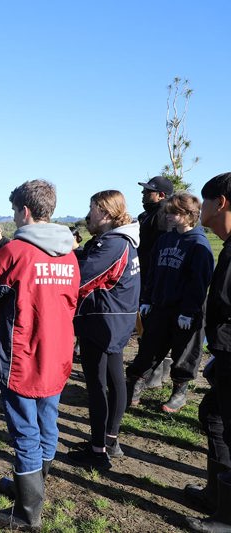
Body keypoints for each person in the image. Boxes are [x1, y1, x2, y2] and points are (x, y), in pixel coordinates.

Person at [0, 180, 79, 530]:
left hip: (22, 355)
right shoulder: (70, 253)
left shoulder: (15, 252)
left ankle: (26, 514)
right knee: (48, 420)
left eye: (14, 211)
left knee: (24, 431)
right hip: (59, 353)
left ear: (25, 211)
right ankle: (34, 485)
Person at [67, 191, 140, 471]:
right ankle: (109, 439)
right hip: (116, 320)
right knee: (114, 379)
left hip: (102, 322)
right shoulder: (122, 241)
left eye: (92, 209)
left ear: (106, 213)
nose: (89, 215)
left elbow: (82, 275)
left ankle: (98, 451)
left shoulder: (112, 244)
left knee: (98, 385)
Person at [126, 191, 214, 413]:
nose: (168, 216)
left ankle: (179, 393)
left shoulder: (199, 244)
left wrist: (188, 311)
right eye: (167, 212)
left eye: (173, 212)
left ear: (188, 214)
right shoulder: (165, 239)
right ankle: (135, 387)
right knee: (148, 348)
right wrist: (146, 299)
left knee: (184, 354)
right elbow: (153, 272)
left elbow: (199, 282)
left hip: (186, 311)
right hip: (159, 306)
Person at [185, 172, 231, 532]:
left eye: (205, 202)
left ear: (221, 203)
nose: (200, 210)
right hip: (224, 355)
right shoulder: (228, 246)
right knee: (214, 418)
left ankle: (226, 517)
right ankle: (216, 496)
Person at [137, 175, 176, 390]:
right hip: (144, 275)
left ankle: (156, 372)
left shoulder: (162, 214)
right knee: (144, 324)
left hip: (153, 278)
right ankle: (153, 371)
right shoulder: (147, 214)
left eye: (147, 191)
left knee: (152, 325)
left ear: (161, 194)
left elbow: (161, 248)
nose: (143, 195)